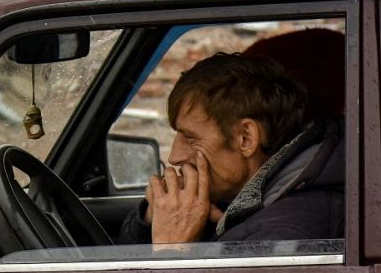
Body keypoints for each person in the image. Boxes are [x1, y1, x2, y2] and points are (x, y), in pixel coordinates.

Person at [117, 51, 343, 245]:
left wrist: (170, 248)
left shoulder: (285, 232)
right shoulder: (242, 200)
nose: (174, 157)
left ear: (245, 138)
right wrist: (152, 218)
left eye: (191, 138)